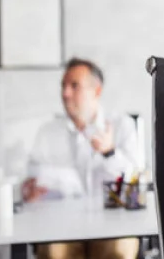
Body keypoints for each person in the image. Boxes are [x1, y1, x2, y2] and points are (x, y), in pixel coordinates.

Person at [22, 58, 144, 259]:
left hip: (113, 223)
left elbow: (136, 179)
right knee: (54, 252)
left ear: (96, 91)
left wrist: (109, 152)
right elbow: (32, 179)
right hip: (62, 223)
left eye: (74, 86)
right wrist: (29, 190)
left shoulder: (122, 126)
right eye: (63, 86)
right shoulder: (47, 133)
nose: (65, 93)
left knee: (118, 251)